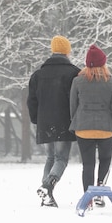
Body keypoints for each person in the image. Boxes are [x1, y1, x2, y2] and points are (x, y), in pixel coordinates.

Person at [27, 35, 80, 208]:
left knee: (50, 157)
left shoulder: (38, 75)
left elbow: (32, 100)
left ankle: (46, 194)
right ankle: (47, 185)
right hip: (64, 122)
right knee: (62, 158)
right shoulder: (73, 73)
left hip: (44, 122)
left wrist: (36, 119)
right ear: (67, 51)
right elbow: (76, 99)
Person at [69, 44, 112, 208]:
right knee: (105, 159)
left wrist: (76, 122)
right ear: (103, 63)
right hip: (105, 130)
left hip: (83, 129)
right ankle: (100, 190)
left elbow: (73, 105)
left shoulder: (77, 81)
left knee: (87, 164)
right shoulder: (111, 82)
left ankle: (88, 199)